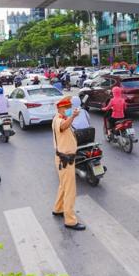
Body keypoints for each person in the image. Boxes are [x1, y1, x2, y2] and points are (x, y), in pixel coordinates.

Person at [52, 97, 85, 231]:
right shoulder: (58, 120)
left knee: (63, 186)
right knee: (70, 190)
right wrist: (73, 117)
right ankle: (70, 220)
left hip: (66, 159)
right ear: (60, 109)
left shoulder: (62, 118)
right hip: (65, 160)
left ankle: (58, 208)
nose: (69, 110)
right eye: (67, 108)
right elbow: (63, 126)